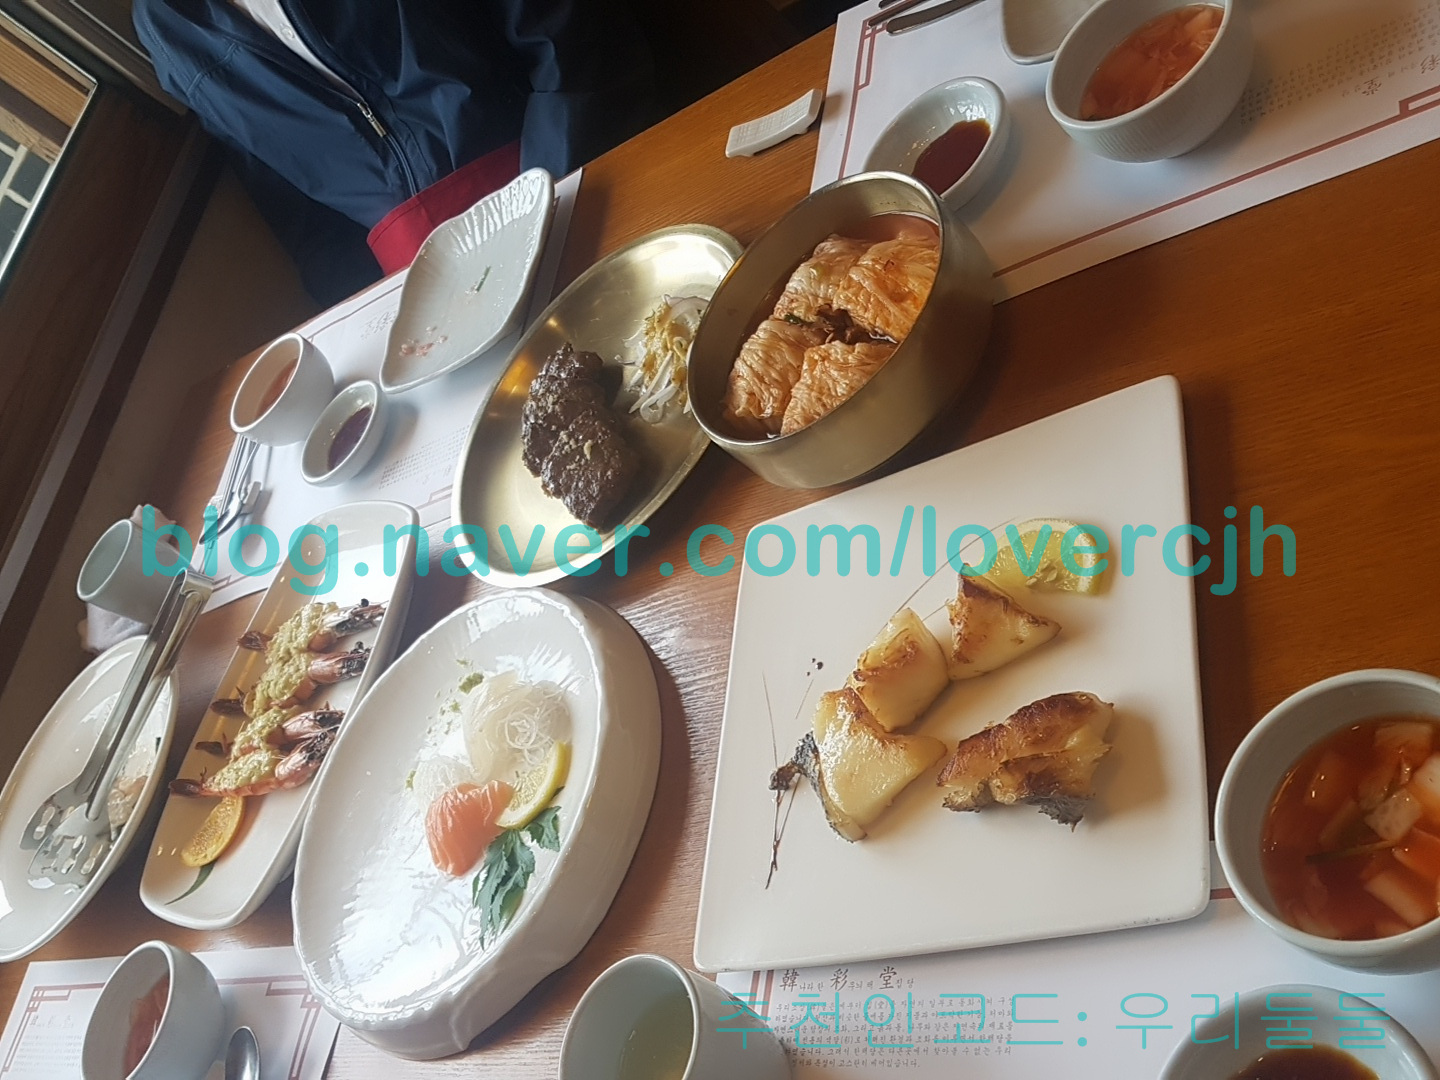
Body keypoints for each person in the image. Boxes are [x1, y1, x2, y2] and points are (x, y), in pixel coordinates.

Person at [133, 0, 658, 302]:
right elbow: (301, 219)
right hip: (434, 284)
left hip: (583, 159)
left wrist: (551, 193)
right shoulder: (167, 30)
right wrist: (385, 315)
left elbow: (563, 32)